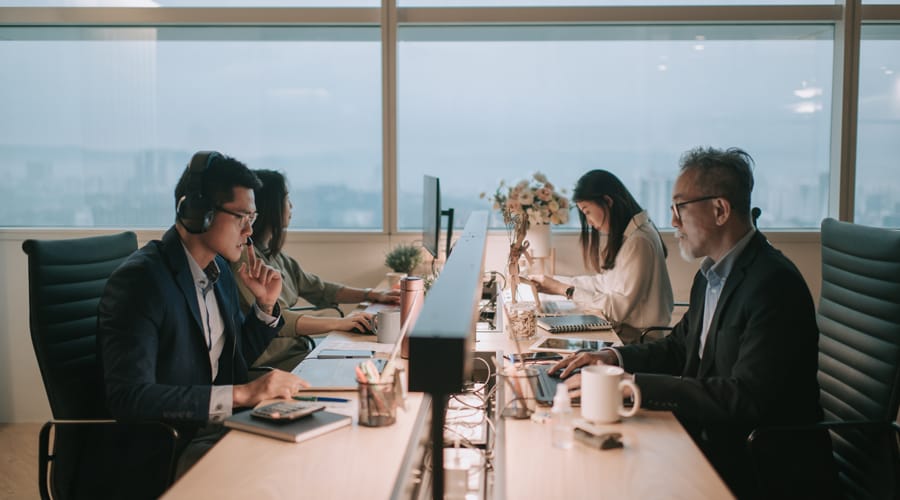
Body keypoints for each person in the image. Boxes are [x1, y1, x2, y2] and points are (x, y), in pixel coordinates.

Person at [551, 147, 836, 498]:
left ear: (719, 210)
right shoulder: (711, 275)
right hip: (709, 435)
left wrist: (634, 385)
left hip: (756, 461)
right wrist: (613, 359)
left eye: (679, 207)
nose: (672, 220)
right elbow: (678, 346)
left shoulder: (773, 285)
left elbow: (746, 398)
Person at [98, 151, 308, 480]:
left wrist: (265, 307)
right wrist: (243, 394)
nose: (249, 231)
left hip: (216, 428)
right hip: (171, 446)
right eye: (242, 217)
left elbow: (231, 362)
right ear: (198, 213)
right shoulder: (142, 282)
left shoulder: (218, 270)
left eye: (252, 218)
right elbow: (130, 398)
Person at [232, 169, 400, 371]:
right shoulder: (245, 261)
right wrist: (339, 323)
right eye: (286, 199)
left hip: (299, 351)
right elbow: (279, 321)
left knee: (376, 360)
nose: (291, 206)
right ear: (272, 206)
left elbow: (320, 289)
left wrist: (372, 294)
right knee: (367, 367)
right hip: (276, 363)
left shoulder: (275, 255)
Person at [529, 169, 674, 343]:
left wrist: (564, 290)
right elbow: (604, 284)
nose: (588, 221)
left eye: (587, 212)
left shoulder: (638, 241)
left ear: (607, 201)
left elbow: (616, 310)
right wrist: (554, 282)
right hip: (628, 334)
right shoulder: (633, 235)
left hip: (638, 340)